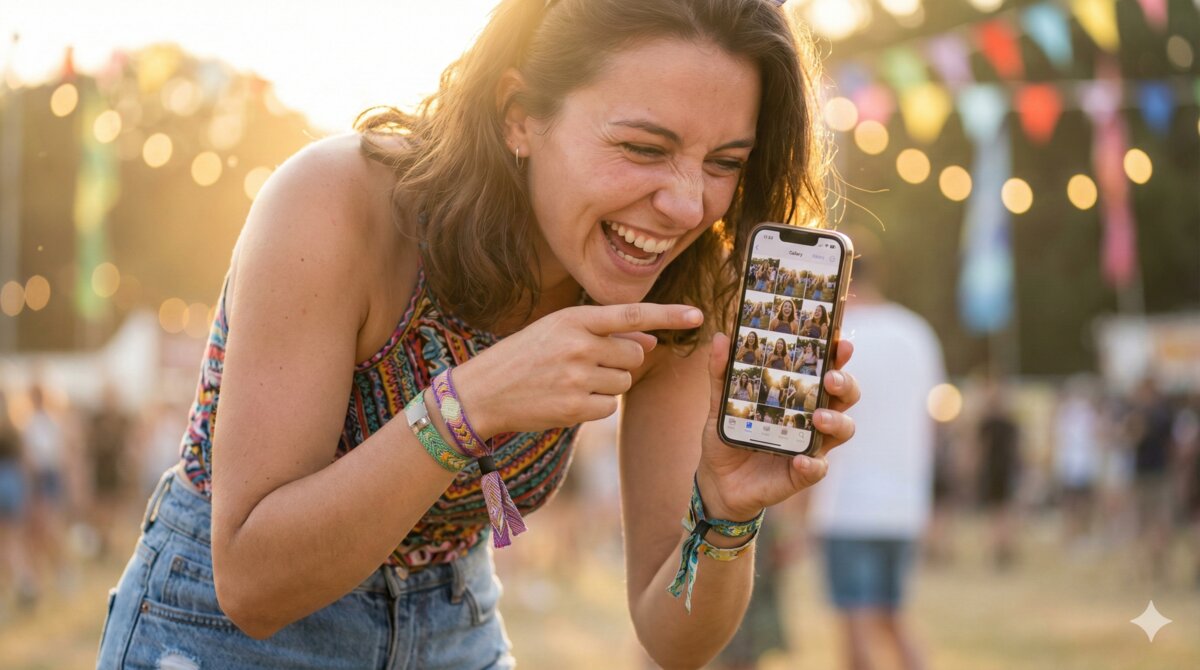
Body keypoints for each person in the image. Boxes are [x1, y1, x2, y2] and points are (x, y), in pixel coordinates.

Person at [96, 2, 862, 668]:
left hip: (454, 627)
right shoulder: (338, 204)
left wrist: (726, 513)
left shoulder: (685, 284)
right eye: (643, 148)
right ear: (518, 115)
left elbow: (674, 640)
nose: (687, 206)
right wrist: (467, 406)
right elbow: (253, 586)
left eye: (725, 162)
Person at [807, 225, 945, 670]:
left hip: (846, 503)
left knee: (856, 632)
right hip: (904, 502)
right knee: (892, 618)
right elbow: (931, 424)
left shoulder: (836, 339)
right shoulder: (917, 332)